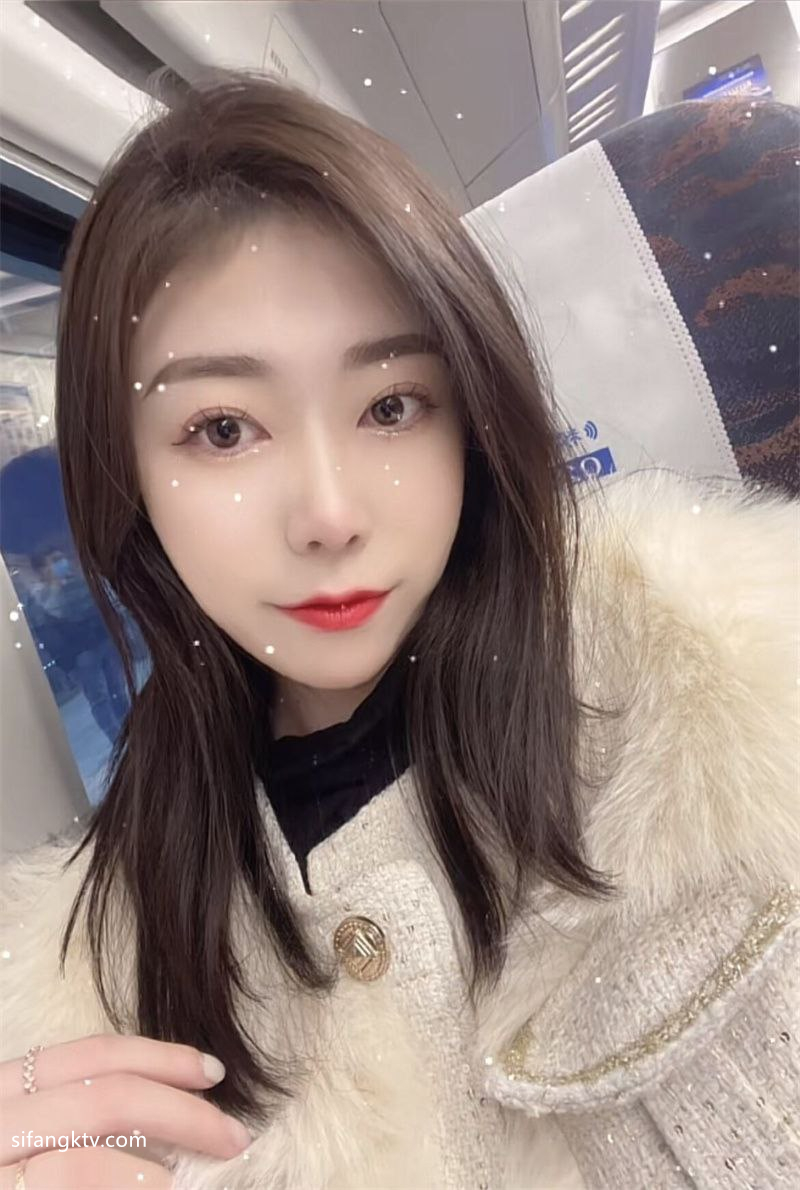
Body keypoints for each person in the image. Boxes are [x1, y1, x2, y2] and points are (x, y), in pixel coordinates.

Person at [1, 69, 797, 1190]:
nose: (329, 515)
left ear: (469, 415)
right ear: (125, 472)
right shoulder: (90, 956)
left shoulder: (727, 723)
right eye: (222, 428)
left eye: (389, 405)